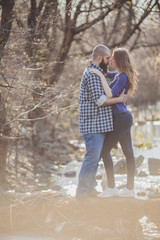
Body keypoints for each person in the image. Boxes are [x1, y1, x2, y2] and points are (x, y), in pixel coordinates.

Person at [76, 44, 128, 198]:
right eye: (107, 58)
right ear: (99, 58)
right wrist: (119, 99)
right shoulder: (92, 75)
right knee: (92, 158)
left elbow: (112, 76)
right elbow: (100, 100)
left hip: (98, 123)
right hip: (93, 124)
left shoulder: (97, 71)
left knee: (94, 157)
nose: (109, 60)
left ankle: (90, 188)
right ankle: (81, 192)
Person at [90, 47, 138, 198]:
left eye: (113, 58)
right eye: (109, 58)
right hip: (122, 118)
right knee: (128, 153)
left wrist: (98, 74)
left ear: (119, 59)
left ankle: (112, 188)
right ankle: (129, 189)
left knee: (105, 151)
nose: (110, 60)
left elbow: (108, 94)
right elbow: (106, 74)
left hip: (121, 118)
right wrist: (94, 68)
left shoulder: (122, 77)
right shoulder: (119, 75)